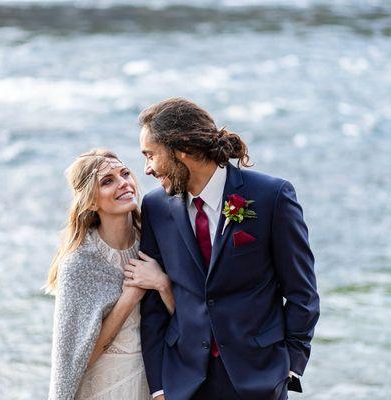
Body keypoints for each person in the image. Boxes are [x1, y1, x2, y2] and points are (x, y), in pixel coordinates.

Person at [134, 98, 320, 400]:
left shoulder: (271, 196)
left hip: (259, 377)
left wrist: (290, 366)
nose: (147, 169)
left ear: (182, 148)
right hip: (183, 381)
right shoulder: (155, 208)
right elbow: (153, 310)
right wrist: (158, 387)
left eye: (151, 155)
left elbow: (302, 292)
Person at [45, 149, 174, 400]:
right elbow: (77, 357)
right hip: (105, 388)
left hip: (155, 383)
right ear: (91, 202)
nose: (123, 183)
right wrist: (129, 298)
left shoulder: (154, 241)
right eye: (108, 181)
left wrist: (162, 284)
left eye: (125, 173)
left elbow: (188, 320)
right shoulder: (80, 263)